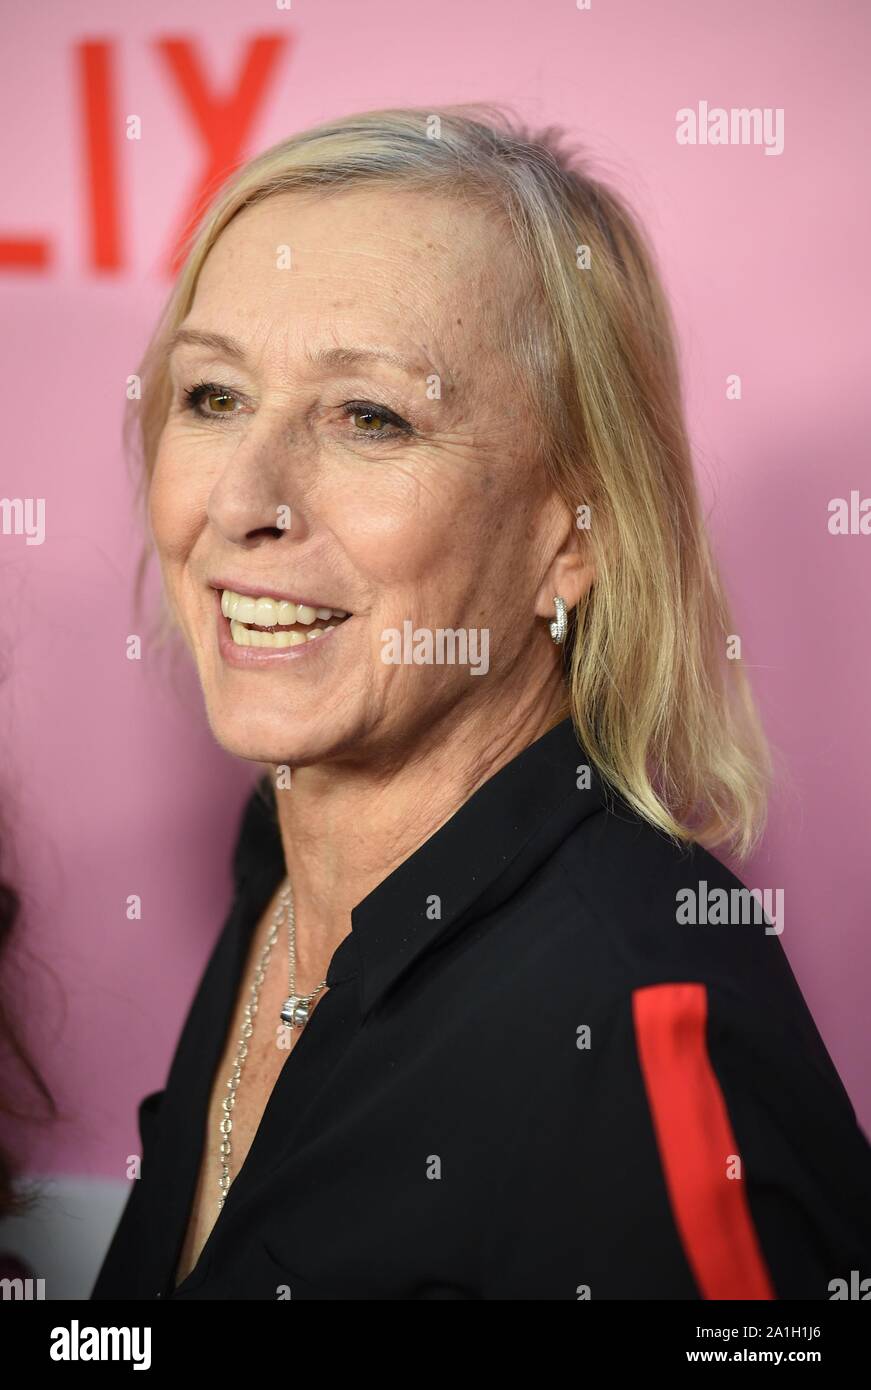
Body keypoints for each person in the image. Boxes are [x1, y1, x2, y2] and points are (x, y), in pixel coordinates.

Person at [91, 104, 871, 1300]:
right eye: (213, 396)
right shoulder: (285, 871)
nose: (245, 499)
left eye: (371, 416)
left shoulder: (644, 1016)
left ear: (573, 535)